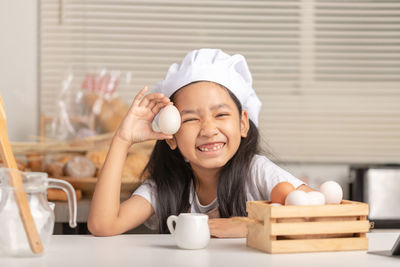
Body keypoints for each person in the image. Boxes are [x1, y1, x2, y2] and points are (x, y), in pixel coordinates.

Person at [88, 49, 313, 238]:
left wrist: (250, 226)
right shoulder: (166, 187)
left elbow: (320, 214)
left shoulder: (256, 172)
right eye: (191, 119)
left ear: (243, 124)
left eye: (221, 115)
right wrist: (122, 139)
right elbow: (103, 225)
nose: (208, 130)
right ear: (172, 136)